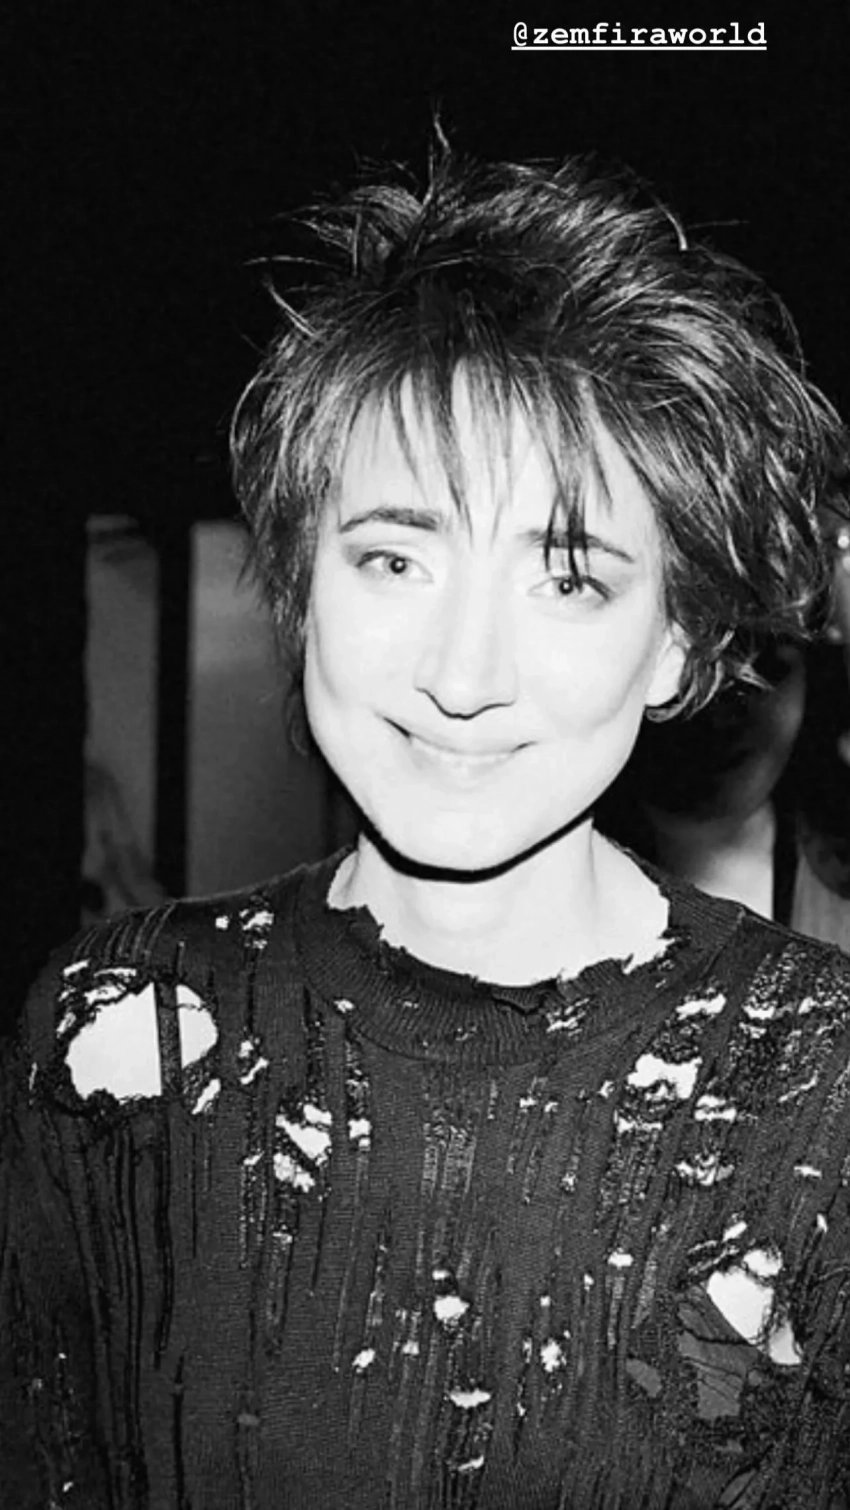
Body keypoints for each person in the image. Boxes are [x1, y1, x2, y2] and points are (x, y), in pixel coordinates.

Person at [3, 138, 850, 1509]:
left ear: (675, 643)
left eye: (567, 579)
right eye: (395, 558)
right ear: (301, 585)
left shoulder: (819, 1087)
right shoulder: (120, 1036)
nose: (462, 673)